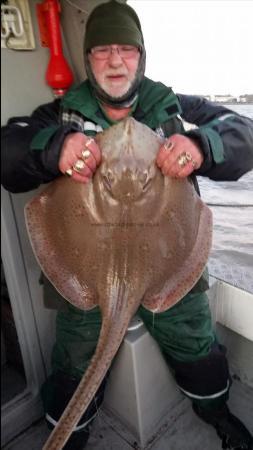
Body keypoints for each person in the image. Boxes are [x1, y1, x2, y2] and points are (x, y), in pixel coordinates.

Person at [2, 1, 253, 449]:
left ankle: (215, 410)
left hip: (168, 266)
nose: (115, 60)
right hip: (87, 273)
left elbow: (245, 132)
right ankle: (71, 434)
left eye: (127, 49)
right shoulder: (59, 116)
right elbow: (7, 148)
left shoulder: (177, 108)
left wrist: (201, 144)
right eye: (102, 50)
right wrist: (52, 148)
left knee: (198, 346)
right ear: (88, 58)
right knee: (75, 363)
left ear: (141, 55)